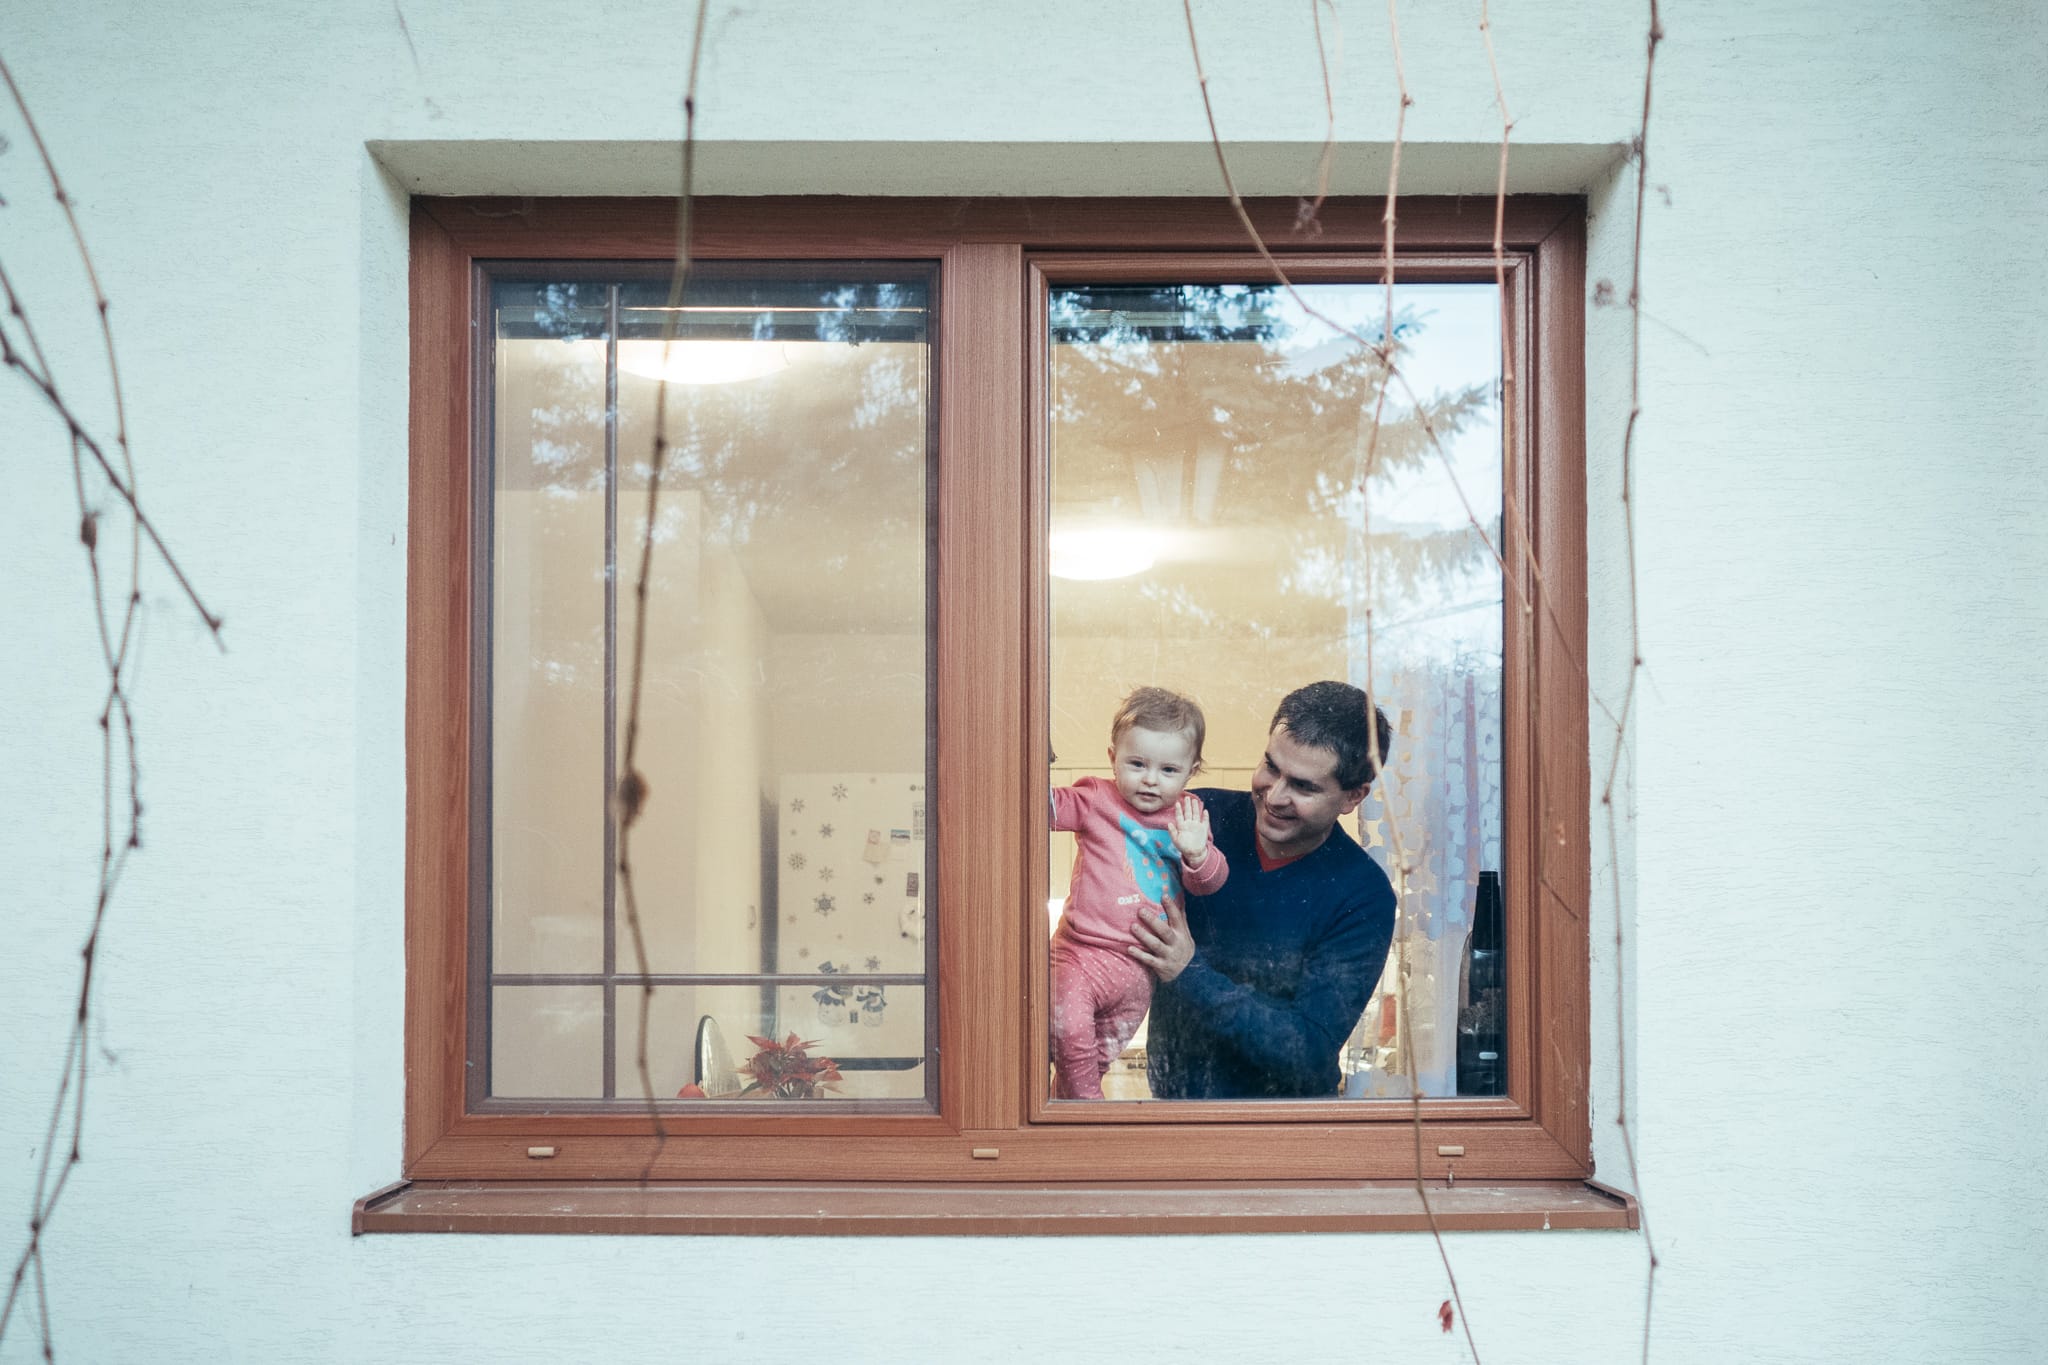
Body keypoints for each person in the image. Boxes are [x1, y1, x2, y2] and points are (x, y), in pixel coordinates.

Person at [1128, 680, 1396, 1099]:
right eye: (1271, 766)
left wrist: (1188, 970)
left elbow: (1307, 1051)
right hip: (1173, 1113)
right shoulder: (1198, 817)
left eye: (1303, 786)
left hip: (1288, 1126)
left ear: (1353, 797)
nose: (1274, 796)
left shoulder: (1363, 895)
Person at [1049, 687, 1228, 1099]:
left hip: (1140, 968)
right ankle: (1090, 1120)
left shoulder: (1189, 815)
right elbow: (1041, 808)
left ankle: (1062, 1122)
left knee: (1092, 1062)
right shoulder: (1096, 798)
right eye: (1137, 764)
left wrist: (1198, 853)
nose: (1150, 779)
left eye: (1168, 770)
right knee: (1070, 1037)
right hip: (1082, 953)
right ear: (1113, 758)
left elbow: (1208, 885)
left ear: (1191, 772)